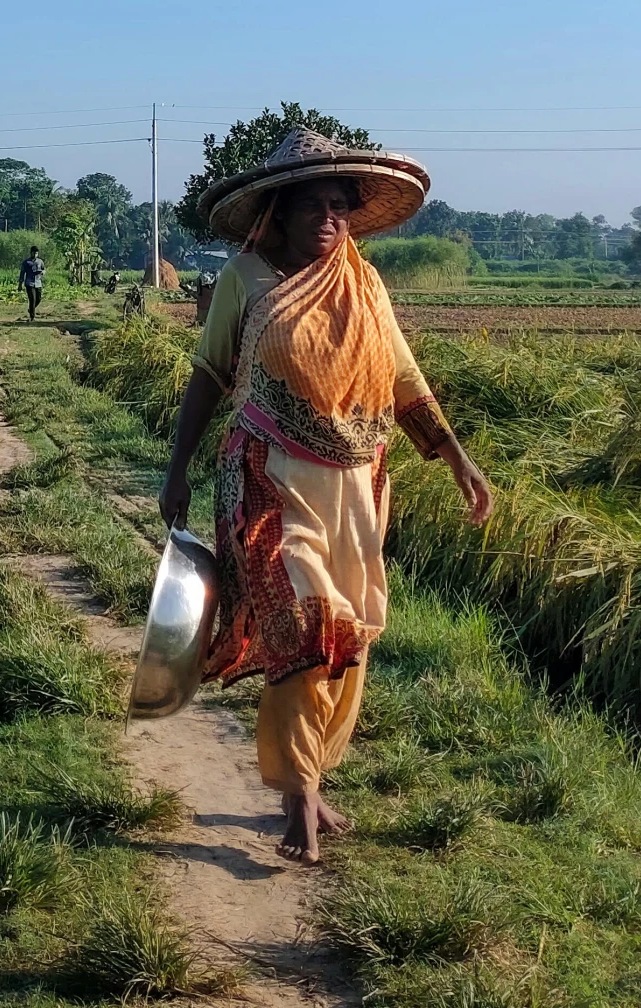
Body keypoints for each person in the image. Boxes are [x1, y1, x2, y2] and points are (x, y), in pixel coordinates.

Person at [158, 126, 492, 867]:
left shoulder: (363, 281)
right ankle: (300, 790)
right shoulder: (247, 277)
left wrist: (456, 457)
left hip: (356, 484)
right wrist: (176, 470)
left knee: (350, 633)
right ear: (278, 208)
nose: (330, 219)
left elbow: (403, 378)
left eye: (341, 205)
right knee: (304, 624)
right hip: (270, 477)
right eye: (315, 204)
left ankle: (309, 776)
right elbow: (209, 375)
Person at [17, 244, 45, 320]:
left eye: (36, 253)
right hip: (29, 283)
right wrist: (20, 284)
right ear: (31, 253)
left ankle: (31, 309)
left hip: (38, 283)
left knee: (38, 299)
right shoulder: (26, 262)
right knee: (32, 299)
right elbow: (22, 273)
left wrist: (42, 272)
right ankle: (32, 316)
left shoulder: (40, 261)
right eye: (34, 253)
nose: (35, 255)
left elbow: (43, 269)